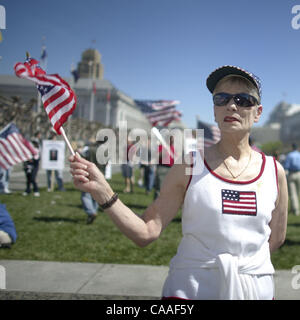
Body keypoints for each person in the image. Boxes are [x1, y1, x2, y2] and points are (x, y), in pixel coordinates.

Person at [69, 65, 288, 300]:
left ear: (258, 112)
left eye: (243, 99)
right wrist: (104, 192)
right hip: (191, 290)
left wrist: (243, 264)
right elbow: (146, 232)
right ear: (214, 110)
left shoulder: (274, 172)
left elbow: (275, 239)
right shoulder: (188, 166)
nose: (231, 106)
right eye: (221, 98)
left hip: (256, 292)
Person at [80, 137, 109, 224]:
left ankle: (91, 212)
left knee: (85, 195)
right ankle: (94, 210)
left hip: (89, 173)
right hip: (101, 174)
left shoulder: (90, 149)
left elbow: (83, 158)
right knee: (96, 194)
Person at [284, 143, 300, 216]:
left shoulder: (289, 155)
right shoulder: (299, 154)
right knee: (298, 192)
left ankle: (296, 210)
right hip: (299, 173)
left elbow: (286, 166)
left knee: (293, 193)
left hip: (292, 174)